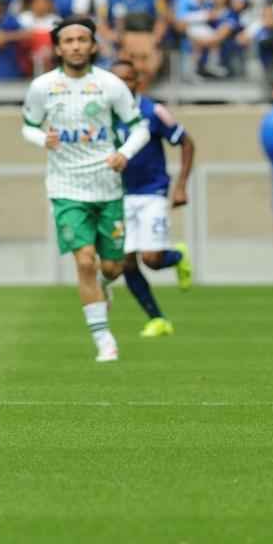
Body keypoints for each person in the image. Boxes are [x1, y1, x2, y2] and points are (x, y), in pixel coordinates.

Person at [20, 17, 151, 362]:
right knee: (85, 260)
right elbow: (28, 126)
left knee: (111, 267)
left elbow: (140, 128)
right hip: (66, 186)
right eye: (69, 40)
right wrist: (41, 139)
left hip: (107, 186)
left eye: (82, 39)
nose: (76, 46)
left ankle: (106, 287)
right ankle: (104, 339)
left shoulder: (110, 85)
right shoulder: (43, 86)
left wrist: (124, 153)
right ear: (58, 48)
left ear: (93, 45)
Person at [111, 60, 195, 338]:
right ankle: (158, 320)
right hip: (119, 196)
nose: (123, 85)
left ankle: (177, 255)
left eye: (129, 79)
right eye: (117, 80)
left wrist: (181, 185)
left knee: (152, 259)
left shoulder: (153, 111)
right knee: (126, 262)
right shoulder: (102, 114)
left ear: (138, 82)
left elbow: (186, 142)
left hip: (152, 193)